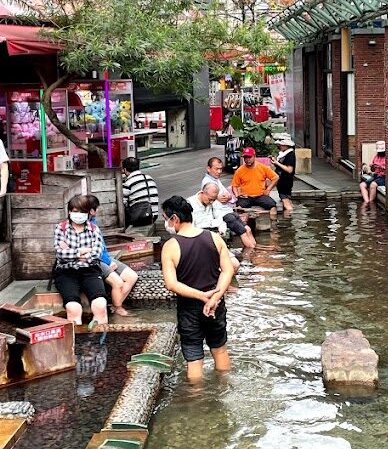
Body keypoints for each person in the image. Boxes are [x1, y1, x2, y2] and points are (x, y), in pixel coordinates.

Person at [160, 195, 236, 382]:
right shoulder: (214, 237)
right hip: (216, 304)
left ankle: (197, 401)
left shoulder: (171, 246)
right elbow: (228, 270)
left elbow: (171, 284)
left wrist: (201, 296)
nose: (165, 223)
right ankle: (224, 389)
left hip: (189, 308)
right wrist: (214, 297)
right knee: (220, 349)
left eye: (165, 218)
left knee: (194, 358)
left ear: (175, 219)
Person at [54, 193, 109, 333]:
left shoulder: (94, 229)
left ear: (88, 212)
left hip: (90, 270)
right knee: (73, 308)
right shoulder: (61, 228)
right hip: (66, 271)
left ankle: (101, 344)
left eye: (82, 211)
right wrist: (82, 252)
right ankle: (77, 345)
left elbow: (96, 253)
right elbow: (61, 254)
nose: (78, 214)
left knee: (100, 305)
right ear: (70, 211)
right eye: (75, 211)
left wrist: (73, 252)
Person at [232, 147, 279, 217]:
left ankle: (273, 224)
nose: (247, 160)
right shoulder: (240, 170)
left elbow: (276, 177)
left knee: (273, 207)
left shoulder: (262, 167)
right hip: (246, 197)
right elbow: (234, 186)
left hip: (260, 195)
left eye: (249, 157)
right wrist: (237, 195)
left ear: (254, 156)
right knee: (239, 209)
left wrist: (268, 189)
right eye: (245, 158)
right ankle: (243, 226)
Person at [120, 156, 160, 229]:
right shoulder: (150, 178)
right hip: (153, 216)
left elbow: (122, 204)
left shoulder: (127, 183)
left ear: (124, 169)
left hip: (140, 217)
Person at [272, 135, 297, 214]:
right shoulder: (284, 154)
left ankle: (288, 216)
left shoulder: (290, 155)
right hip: (282, 181)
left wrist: (277, 163)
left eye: (281, 145)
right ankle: (289, 214)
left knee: (285, 200)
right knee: (287, 200)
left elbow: (289, 170)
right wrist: (275, 162)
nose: (279, 146)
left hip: (285, 181)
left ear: (286, 145)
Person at [360, 141, 387, 207]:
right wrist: (372, 166)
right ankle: (366, 202)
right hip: (376, 175)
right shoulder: (376, 157)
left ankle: (371, 202)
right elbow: (372, 170)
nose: (379, 153)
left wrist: (381, 167)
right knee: (362, 185)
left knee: (373, 185)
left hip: (383, 176)